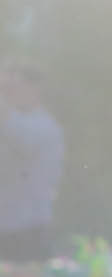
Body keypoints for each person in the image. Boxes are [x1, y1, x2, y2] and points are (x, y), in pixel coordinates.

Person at [0, 62, 64, 264]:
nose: (9, 93)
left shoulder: (44, 127)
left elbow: (20, 135)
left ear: (35, 88)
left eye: (13, 87)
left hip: (27, 233)